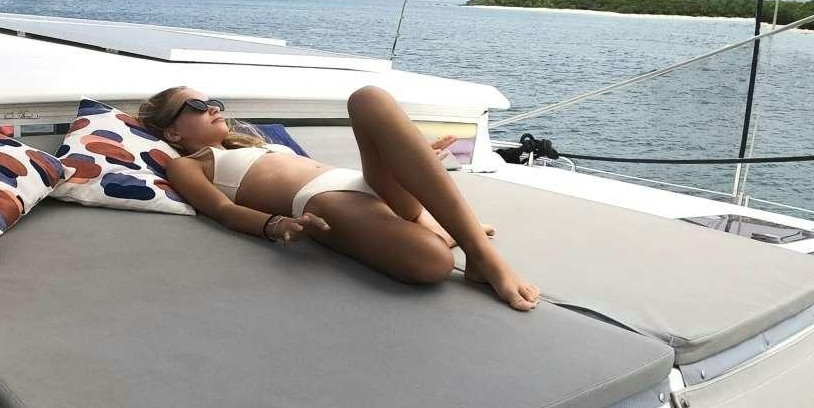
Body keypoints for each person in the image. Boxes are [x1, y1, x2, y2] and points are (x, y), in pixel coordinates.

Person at [140, 85, 541, 310]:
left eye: (213, 101)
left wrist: (411, 157)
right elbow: (224, 212)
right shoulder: (190, 165)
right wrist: (275, 224)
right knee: (434, 262)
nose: (211, 106)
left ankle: (482, 256)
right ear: (174, 133)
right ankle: (452, 234)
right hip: (324, 203)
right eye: (195, 105)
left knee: (368, 98)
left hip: (354, 182)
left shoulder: (257, 145)